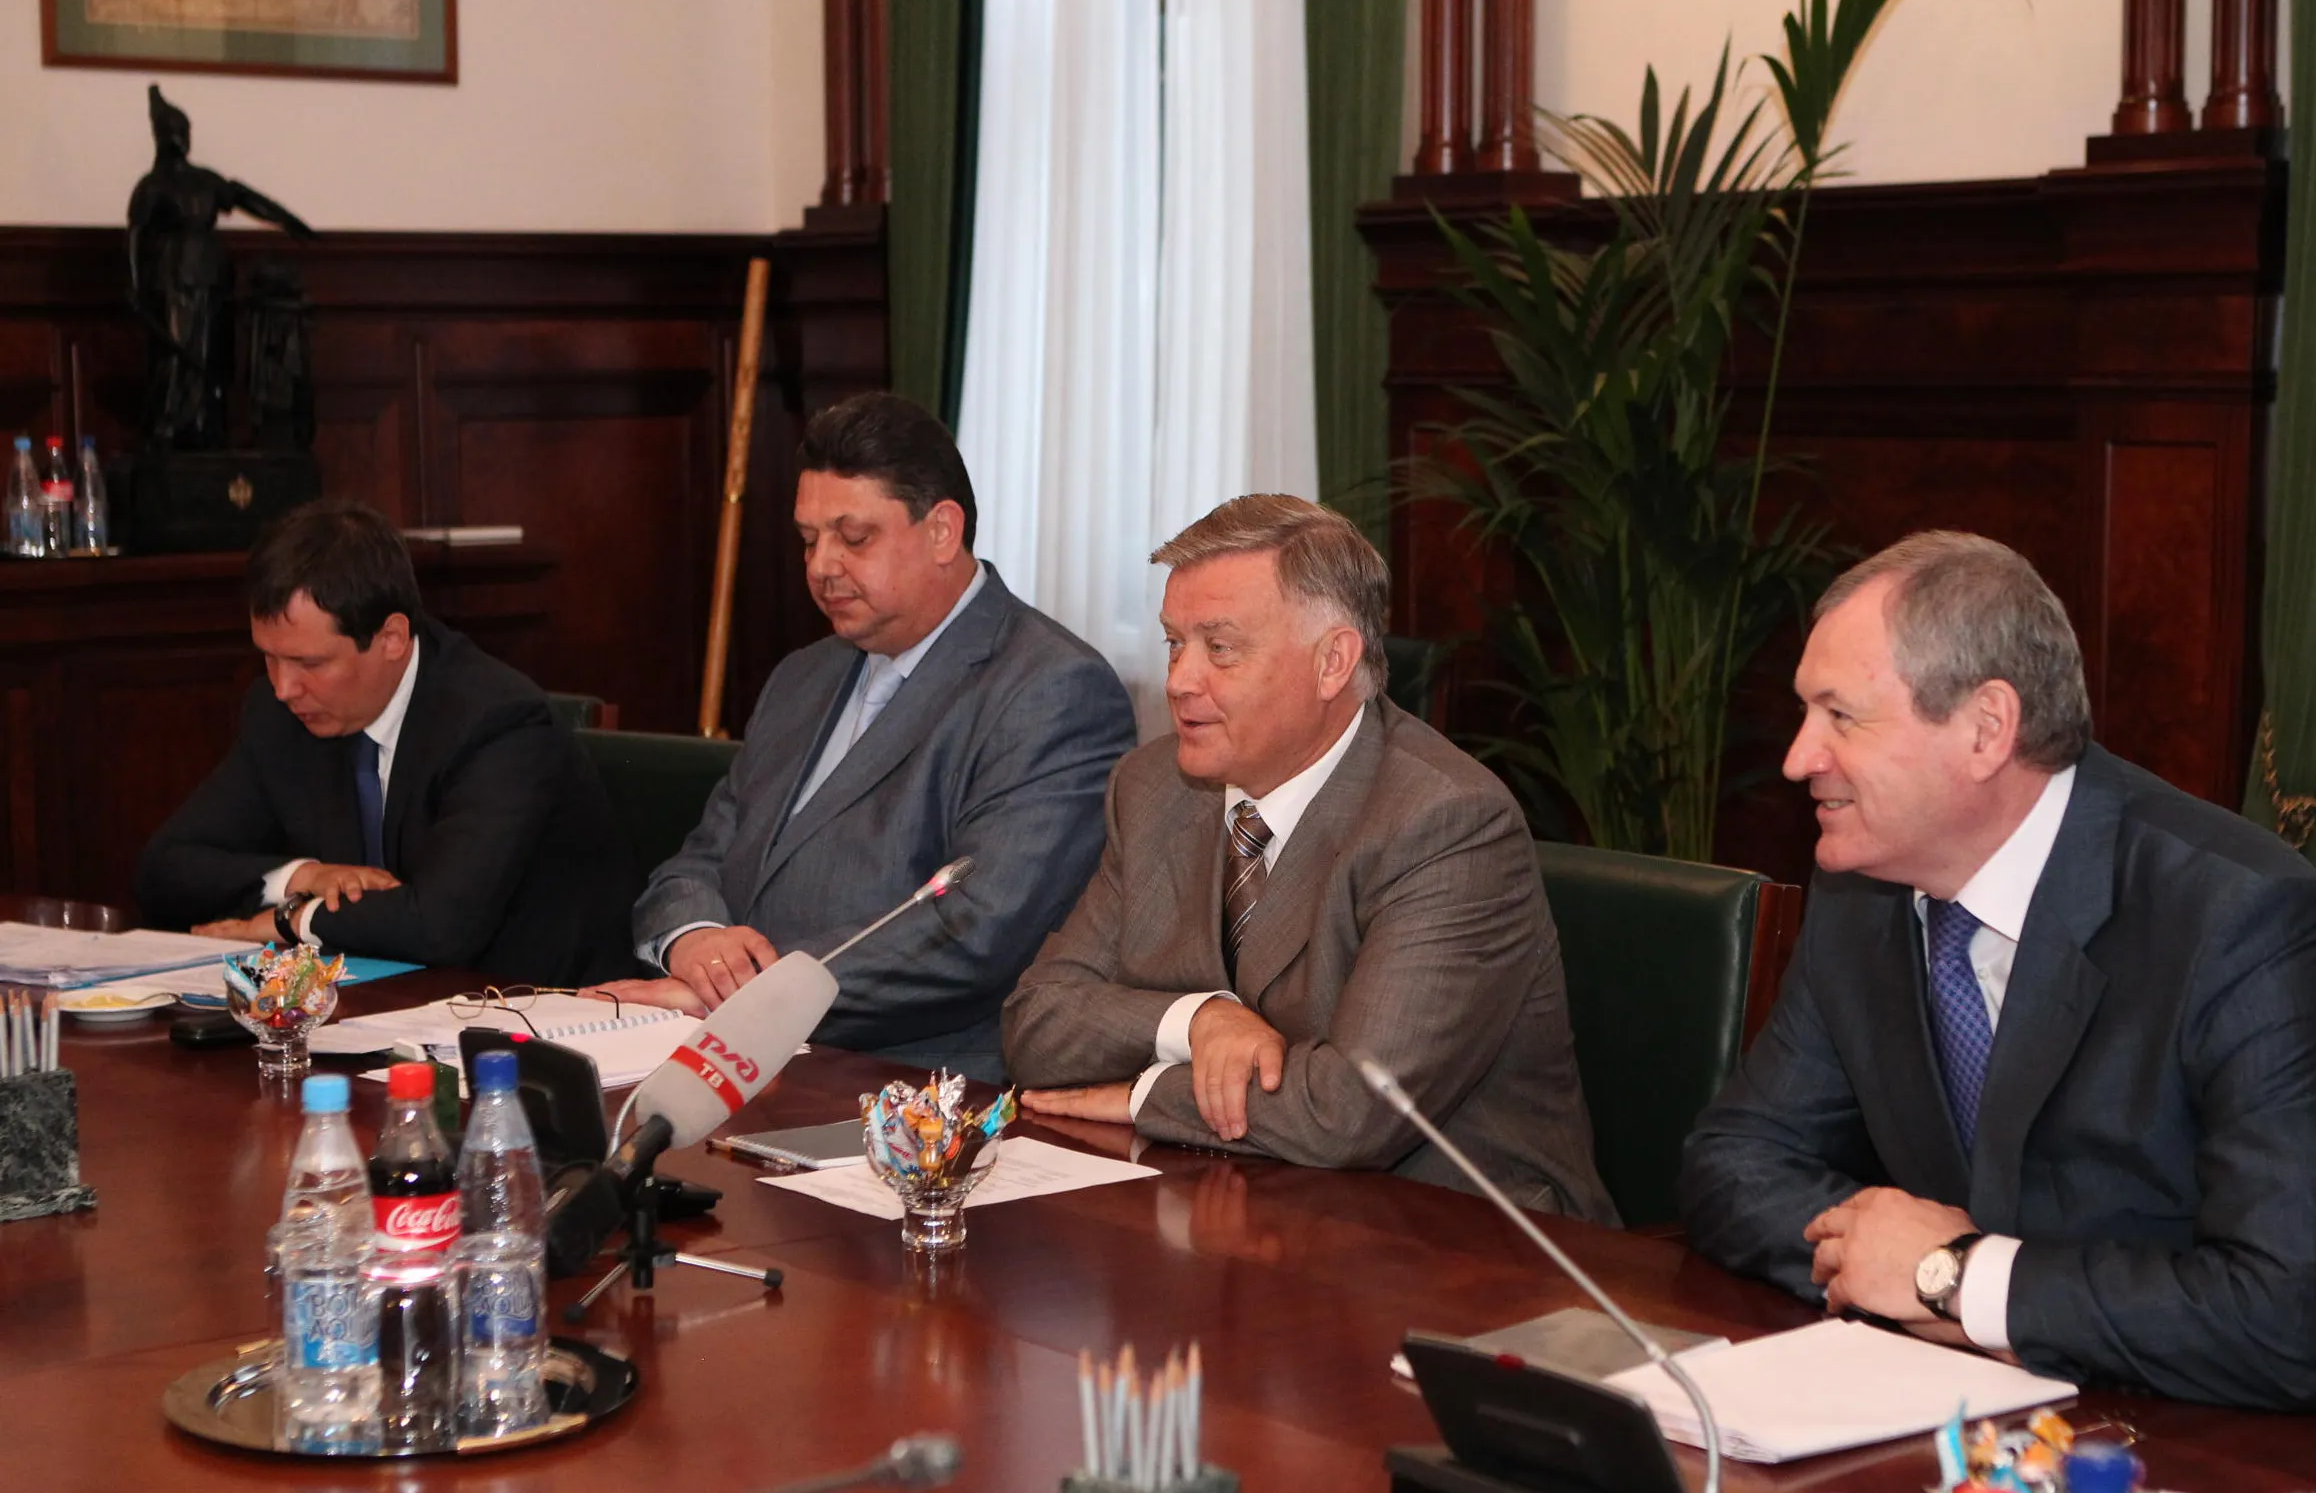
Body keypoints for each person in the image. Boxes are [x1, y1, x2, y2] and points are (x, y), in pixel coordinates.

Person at [1680, 531, 2316, 1425]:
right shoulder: (1865, 896)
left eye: (1840, 716)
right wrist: (1889, 1259)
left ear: (1985, 729)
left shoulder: (2242, 919)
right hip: (2013, 1415)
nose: (1798, 757)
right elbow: (1734, 1163)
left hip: (2300, 1454)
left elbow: (2290, 1321)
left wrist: (1955, 1278)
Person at [1006, 495, 1616, 1224]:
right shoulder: (1151, 788)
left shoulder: (1446, 823)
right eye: (1173, 643)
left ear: (1332, 662)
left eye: (1219, 648)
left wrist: (1144, 1095)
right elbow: (1037, 1025)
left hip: (1459, 1239)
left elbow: (1351, 1111)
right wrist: (1197, 1021)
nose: (1179, 680)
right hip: (1237, 1211)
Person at [622, 392, 1136, 1080]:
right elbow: (700, 861)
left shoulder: (1052, 690)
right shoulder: (802, 676)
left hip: (913, 1086)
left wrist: (748, 1001)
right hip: (733, 1055)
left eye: (854, 538)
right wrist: (695, 942)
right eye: (809, 539)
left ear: (942, 530)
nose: (821, 566)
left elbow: (971, 933)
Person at [138, 502, 635, 985]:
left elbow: (439, 926)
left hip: (532, 1008)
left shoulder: (499, 723)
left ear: (393, 638)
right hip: (379, 1005)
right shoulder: (279, 715)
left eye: (310, 664)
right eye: (269, 657)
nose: (284, 687)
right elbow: (166, 872)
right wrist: (302, 878)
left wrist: (292, 921)